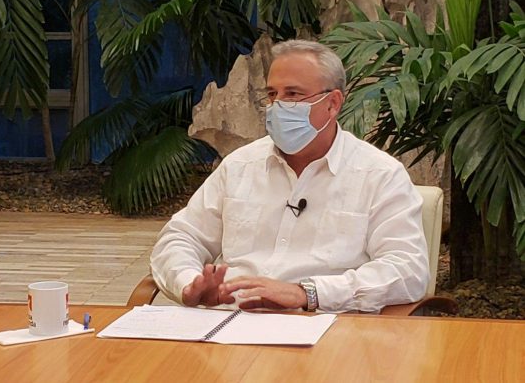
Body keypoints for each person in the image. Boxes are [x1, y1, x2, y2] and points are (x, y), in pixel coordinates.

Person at [150, 39, 429, 313]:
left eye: (293, 94)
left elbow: (407, 270)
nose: (277, 106)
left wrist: (307, 293)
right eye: (272, 95)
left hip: (326, 333)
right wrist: (189, 284)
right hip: (230, 326)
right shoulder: (240, 166)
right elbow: (181, 237)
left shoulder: (379, 175)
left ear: (332, 103)